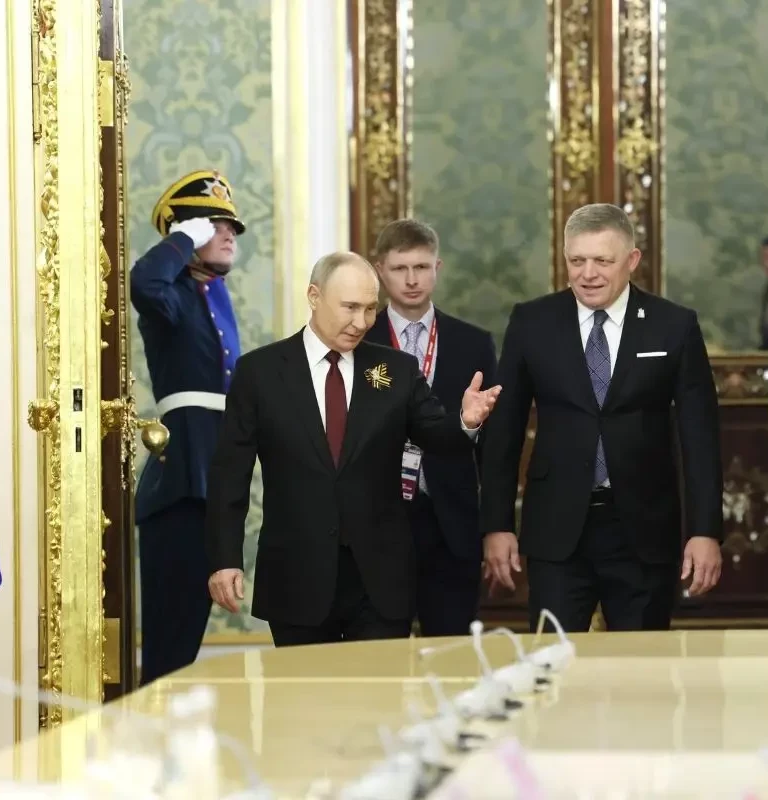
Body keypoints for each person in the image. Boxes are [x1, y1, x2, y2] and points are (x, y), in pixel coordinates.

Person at [204, 252, 502, 646]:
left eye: (369, 309)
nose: (361, 322)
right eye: (349, 307)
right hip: (297, 574)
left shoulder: (396, 369)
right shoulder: (260, 372)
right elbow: (230, 473)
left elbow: (436, 437)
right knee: (306, 686)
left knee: (378, 685)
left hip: (380, 579)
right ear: (314, 296)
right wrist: (225, 559)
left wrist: (465, 421)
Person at [479, 203, 724, 632]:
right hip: (556, 530)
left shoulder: (673, 325)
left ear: (632, 260)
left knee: (642, 665)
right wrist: (497, 526)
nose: (588, 274)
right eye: (577, 261)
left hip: (644, 531)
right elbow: (505, 432)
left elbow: (700, 438)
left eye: (602, 261)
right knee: (552, 660)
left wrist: (705, 531)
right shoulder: (532, 322)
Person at [130, 169, 245, 685]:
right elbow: (145, 282)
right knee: (169, 640)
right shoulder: (171, 293)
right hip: (181, 479)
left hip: (214, 474)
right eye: (214, 225)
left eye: (232, 226)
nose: (229, 234)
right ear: (187, 232)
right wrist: (181, 240)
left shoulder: (215, 296)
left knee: (189, 632)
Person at [364, 219, 498, 636]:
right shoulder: (359, 340)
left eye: (421, 267)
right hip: (377, 524)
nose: (411, 280)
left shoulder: (473, 343)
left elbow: (493, 447)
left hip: (451, 524)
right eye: (400, 268)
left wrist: (495, 527)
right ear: (380, 270)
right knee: (380, 651)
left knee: (453, 652)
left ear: (437, 268)